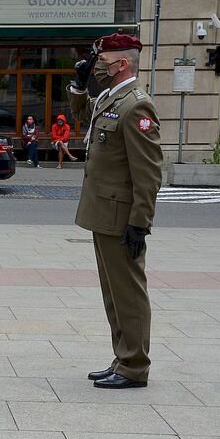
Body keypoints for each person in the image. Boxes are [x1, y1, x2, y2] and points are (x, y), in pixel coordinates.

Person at [68, 31, 163, 389]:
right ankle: (122, 358)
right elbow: (83, 117)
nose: (97, 69)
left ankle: (135, 366)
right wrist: (79, 84)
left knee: (128, 293)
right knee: (114, 294)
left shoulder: (136, 104)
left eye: (102, 63)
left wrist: (140, 223)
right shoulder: (111, 98)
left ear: (122, 64)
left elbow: (148, 172)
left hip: (122, 217)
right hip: (104, 213)